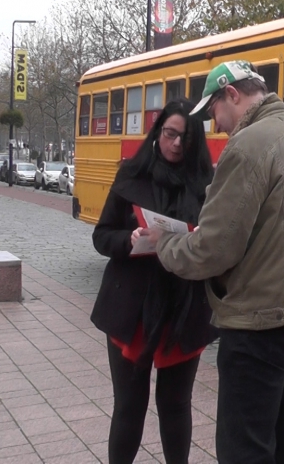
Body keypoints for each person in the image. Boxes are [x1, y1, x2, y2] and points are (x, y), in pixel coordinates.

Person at [144, 60, 284, 464]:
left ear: (232, 94)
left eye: (213, 110)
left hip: (261, 323)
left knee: (244, 448)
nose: (214, 124)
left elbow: (215, 249)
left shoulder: (249, 145)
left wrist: (164, 244)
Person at [90, 98, 217, 464]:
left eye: (185, 138)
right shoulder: (131, 175)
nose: (176, 144)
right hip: (132, 309)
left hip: (184, 309)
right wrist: (127, 241)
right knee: (129, 405)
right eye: (170, 134)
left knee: (176, 405)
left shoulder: (206, 185)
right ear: (158, 133)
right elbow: (102, 236)